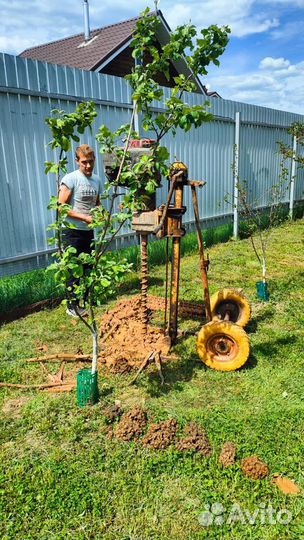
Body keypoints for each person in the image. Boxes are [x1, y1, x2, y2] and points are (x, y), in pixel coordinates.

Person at [59, 144, 103, 317]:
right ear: (77, 161)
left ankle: (84, 301)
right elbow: (61, 207)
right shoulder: (70, 179)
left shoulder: (97, 180)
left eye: (91, 162)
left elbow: (97, 203)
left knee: (87, 267)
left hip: (88, 231)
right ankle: (72, 306)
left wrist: (101, 214)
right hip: (72, 231)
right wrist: (84, 218)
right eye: (84, 162)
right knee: (73, 268)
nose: (88, 166)